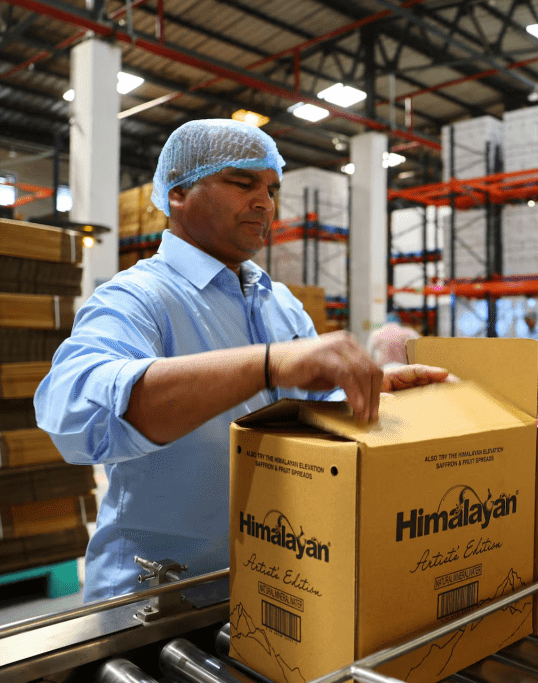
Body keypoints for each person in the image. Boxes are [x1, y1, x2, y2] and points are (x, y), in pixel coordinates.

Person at [35, 119, 451, 602]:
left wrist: (366, 390)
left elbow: (310, 408)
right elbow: (75, 415)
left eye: (271, 188)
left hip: (276, 578)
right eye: (242, 183)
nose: (265, 203)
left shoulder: (280, 304)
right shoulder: (136, 298)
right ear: (177, 195)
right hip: (160, 597)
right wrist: (268, 363)